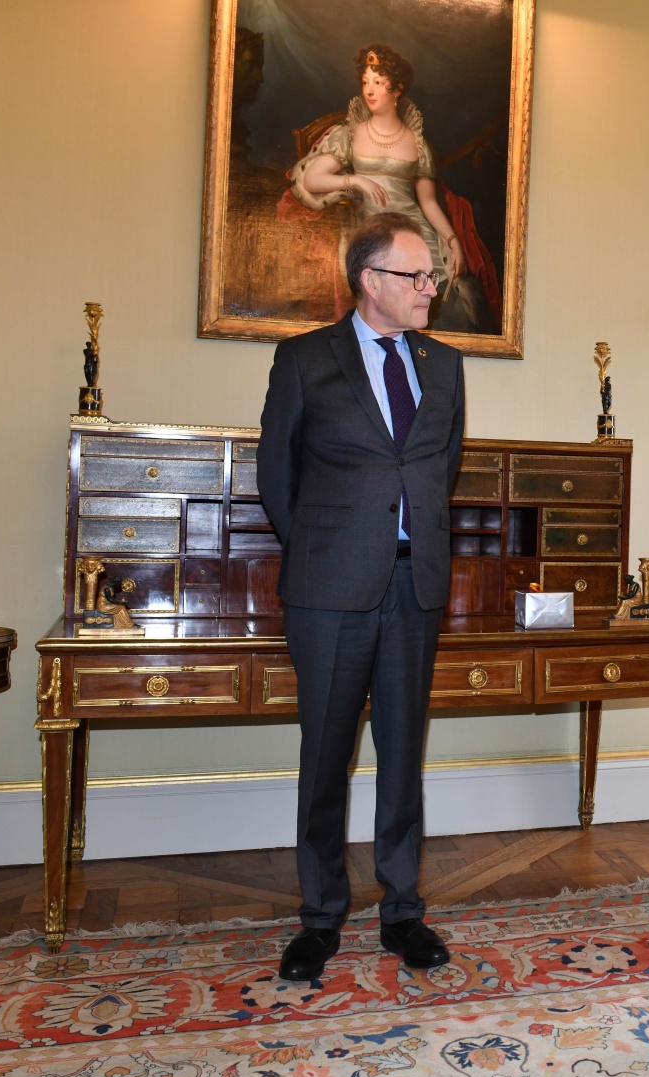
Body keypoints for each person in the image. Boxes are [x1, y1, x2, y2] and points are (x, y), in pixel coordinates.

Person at [258, 211, 466, 982]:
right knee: (326, 755)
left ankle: (402, 912)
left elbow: (439, 470)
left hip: (416, 586)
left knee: (404, 753)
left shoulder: (444, 365)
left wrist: (404, 544)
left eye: (433, 276)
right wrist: (334, 549)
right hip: (330, 590)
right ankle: (319, 918)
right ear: (371, 280)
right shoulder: (306, 360)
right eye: (416, 276)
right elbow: (277, 481)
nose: (430, 289)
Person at [289, 43, 490, 330]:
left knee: (439, 300)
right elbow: (312, 179)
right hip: (372, 228)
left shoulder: (418, 144)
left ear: (396, 90)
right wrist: (356, 179)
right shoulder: (351, 134)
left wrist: (453, 241)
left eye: (379, 83)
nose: (369, 90)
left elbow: (428, 203)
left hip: (415, 230)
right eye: (365, 82)